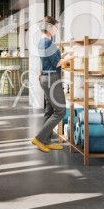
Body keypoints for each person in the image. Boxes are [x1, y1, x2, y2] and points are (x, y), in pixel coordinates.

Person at [32, 16, 74, 153]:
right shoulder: (48, 43)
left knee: (49, 110)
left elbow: (52, 59)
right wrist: (72, 57)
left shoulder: (44, 41)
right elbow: (56, 63)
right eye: (56, 26)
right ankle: (39, 139)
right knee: (61, 111)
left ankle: (46, 140)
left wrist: (66, 53)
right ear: (49, 27)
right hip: (51, 79)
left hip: (47, 78)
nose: (57, 29)